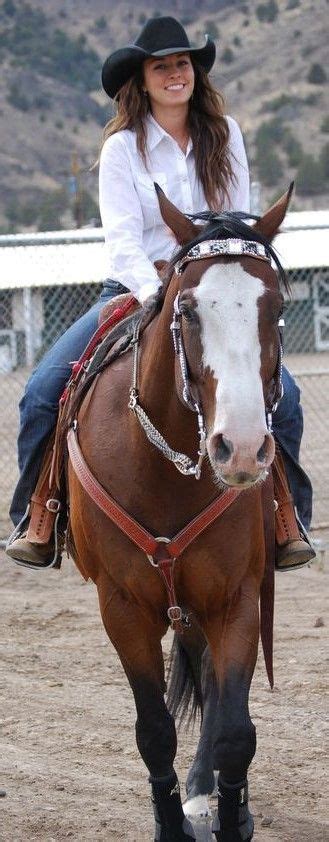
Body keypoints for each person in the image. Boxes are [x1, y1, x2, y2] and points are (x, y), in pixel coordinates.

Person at [5, 15, 314, 570]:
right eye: (161, 66)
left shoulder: (228, 135)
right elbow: (123, 243)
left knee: (284, 399)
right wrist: (161, 294)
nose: (175, 74)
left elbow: (235, 226)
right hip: (135, 288)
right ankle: (40, 513)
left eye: (182, 64)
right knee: (43, 390)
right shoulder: (124, 148)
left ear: (195, 72)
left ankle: (285, 519)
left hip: (216, 291)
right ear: (141, 80)